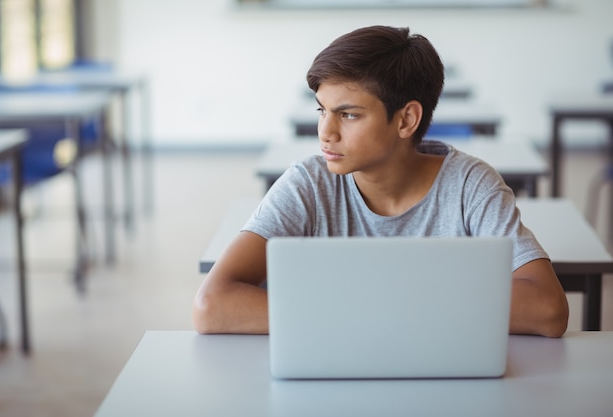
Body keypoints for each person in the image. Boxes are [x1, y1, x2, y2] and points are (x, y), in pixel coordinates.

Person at [192, 25, 569, 337]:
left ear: (406, 120)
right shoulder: (307, 184)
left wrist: (356, 309)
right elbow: (212, 305)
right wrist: (402, 311)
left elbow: (548, 309)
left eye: (349, 115)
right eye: (322, 111)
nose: (326, 132)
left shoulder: (471, 185)